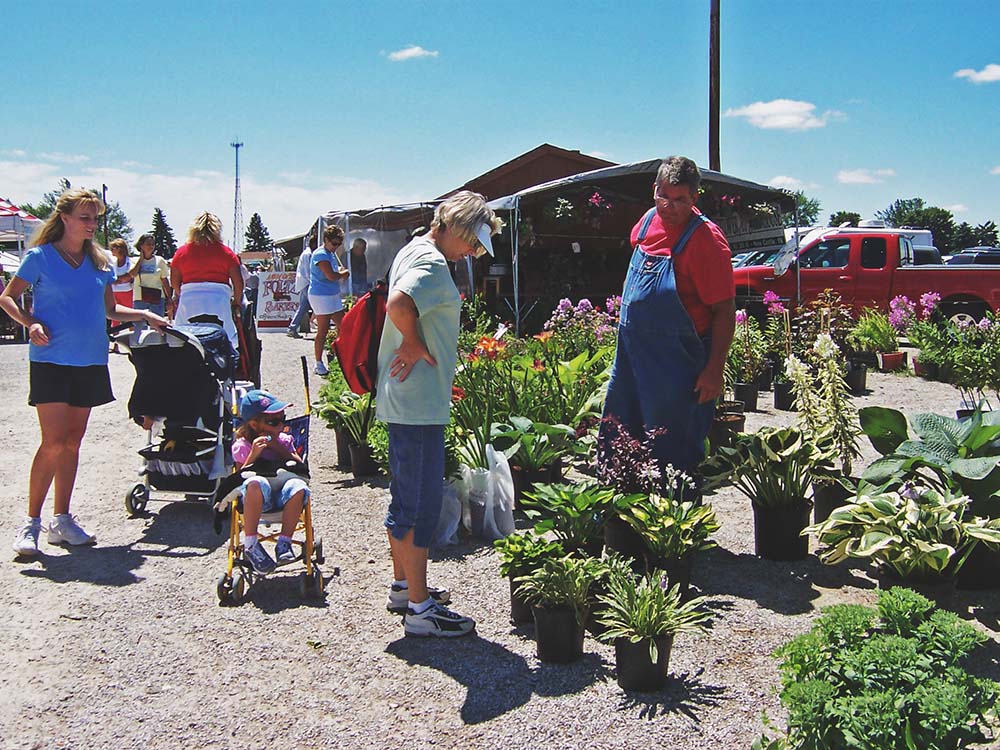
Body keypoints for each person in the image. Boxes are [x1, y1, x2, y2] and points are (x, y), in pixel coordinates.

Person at [1, 189, 168, 557]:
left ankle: (61, 520)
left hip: (90, 360)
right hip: (50, 360)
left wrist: (143, 315)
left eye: (95, 219)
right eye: (85, 218)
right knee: (53, 442)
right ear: (64, 218)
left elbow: (111, 311)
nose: (92, 225)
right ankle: (30, 522)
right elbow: (7, 298)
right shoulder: (40, 257)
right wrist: (29, 323)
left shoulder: (100, 262)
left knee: (73, 444)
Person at [376, 190, 502, 637]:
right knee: (419, 505)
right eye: (471, 240)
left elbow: (398, 301)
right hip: (418, 404)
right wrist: (412, 343)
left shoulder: (415, 248)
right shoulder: (431, 263)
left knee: (406, 497)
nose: (474, 251)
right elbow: (397, 305)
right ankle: (419, 609)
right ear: (453, 226)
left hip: (409, 400)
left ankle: (403, 586)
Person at [598, 156, 736, 477]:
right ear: (654, 190)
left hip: (676, 368)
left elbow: (724, 311)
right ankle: (621, 518)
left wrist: (714, 370)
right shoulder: (646, 223)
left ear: (694, 198)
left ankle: (675, 521)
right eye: (664, 197)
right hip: (631, 361)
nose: (670, 207)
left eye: (680, 200)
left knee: (671, 453)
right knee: (619, 437)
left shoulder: (707, 241)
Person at [232, 389, 310, 574]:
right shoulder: (243, 446)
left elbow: (301, 469)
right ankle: (251, 544)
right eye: (273, 422)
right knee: (254, 483)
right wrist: (253, 456)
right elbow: (237, 479)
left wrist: (280, 448)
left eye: (282, 419)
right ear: (254, 424)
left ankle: (284, 542)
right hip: (257, 499)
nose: (280, 426)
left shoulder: (284, 440)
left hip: (285, 496)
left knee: (298, 485)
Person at [170, 212, 244, 351]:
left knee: (182, 335)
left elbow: (174, 281)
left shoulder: (181, 252)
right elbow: (238, 282)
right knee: (228, 336)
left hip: (189, 299)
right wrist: (236, 302)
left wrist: (181, 293)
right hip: (219, 299)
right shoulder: (226, 252)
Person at [308, 225, 350, 375]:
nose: (336, 247)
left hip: (332, 294)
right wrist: (343, 273)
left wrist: (340, 272)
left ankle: (340, 356)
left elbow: (334, 272)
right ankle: (318, 363)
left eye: (339, 244)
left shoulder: (330, 254)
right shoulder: (321, 254)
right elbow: (331, 276)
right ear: (325, 240)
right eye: (334, 243)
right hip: (320, 296)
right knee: (323, 330)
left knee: (343, 326)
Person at [129, 233, 172, 318]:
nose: (151, 246)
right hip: (139, 298)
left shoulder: (160, 260)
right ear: (141, 246)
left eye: (153, 244)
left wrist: (169, 298)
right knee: (139, 326)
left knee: (158, 326)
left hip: (157, 298)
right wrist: (141, 260)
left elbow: (165, 280)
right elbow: (132, 274)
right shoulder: (134, 260)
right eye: (148, 244)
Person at [107, 238, 133, 353]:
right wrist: (119, 279)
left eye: (114, 248)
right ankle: (115, 344)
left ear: (120, 249)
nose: (112, 250)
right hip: (114, 291)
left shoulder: (130, 261)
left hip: (127, 291)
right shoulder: (112, 262)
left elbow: (131, 275)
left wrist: (121, 279)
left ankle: (133, 342)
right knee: (114, 319)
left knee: (130, 317)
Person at [286, 238, 314, 338]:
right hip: (307, 283)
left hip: (304, 283)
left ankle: (292, 328)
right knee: (317, 306)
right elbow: (308, 271)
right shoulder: (308, 254)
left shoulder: (306, 253)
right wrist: (312, 283)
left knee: (303, 308)